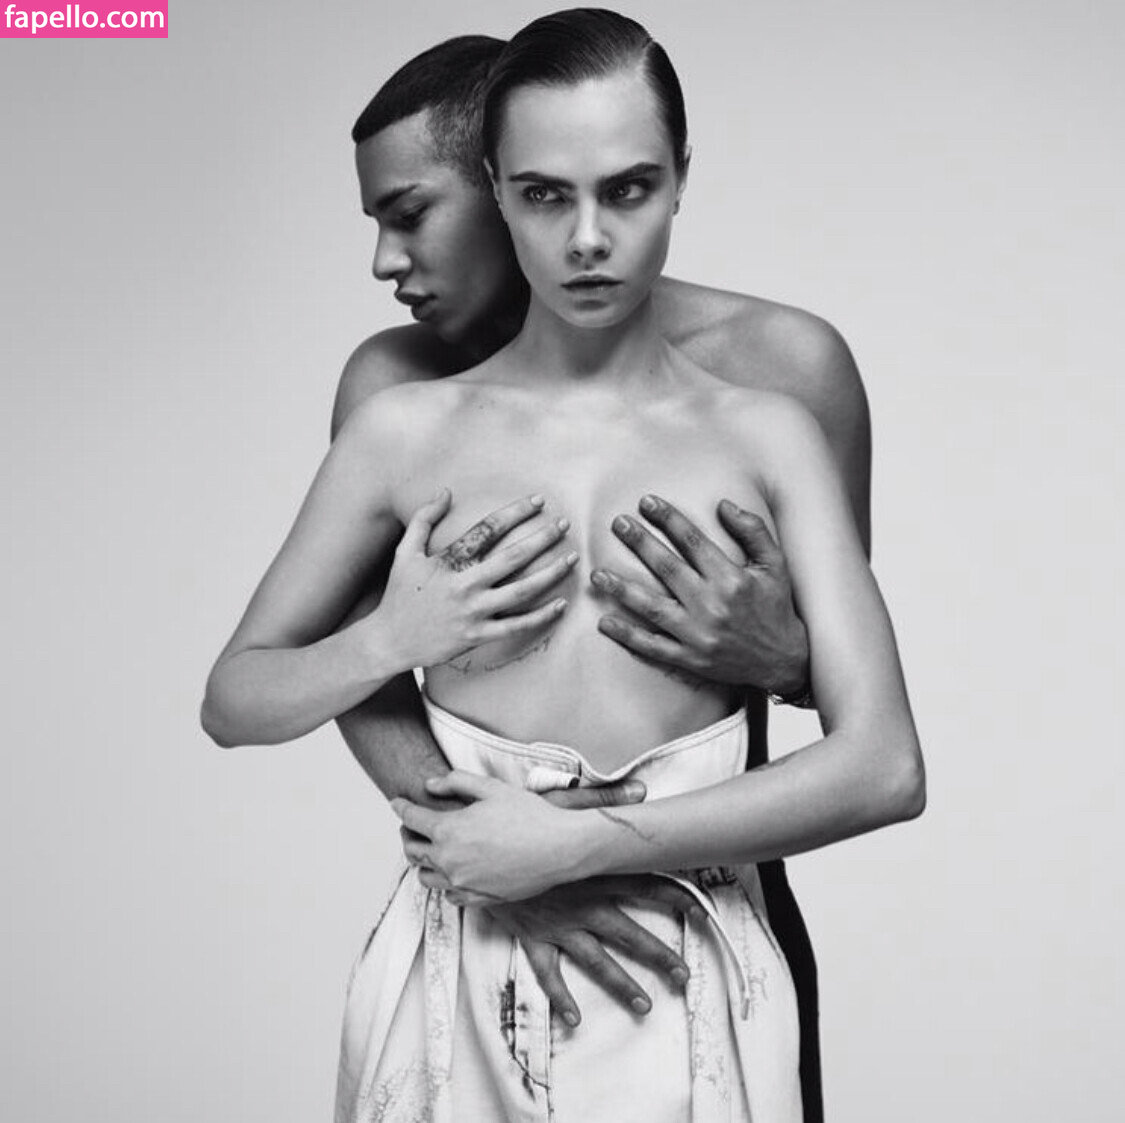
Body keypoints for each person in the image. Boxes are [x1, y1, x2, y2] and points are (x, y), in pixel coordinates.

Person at [202, 9, 924, 1120]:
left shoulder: (771, 400)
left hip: (700, 914)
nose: (587, 235)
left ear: (679, 178)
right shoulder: (400, 413)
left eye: (626, 188)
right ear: (504, 187)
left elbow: (866, 735)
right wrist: (477, 827)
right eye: (545, 193)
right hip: (475, 911)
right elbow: (261, 688)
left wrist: (778, 665)